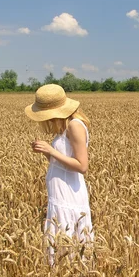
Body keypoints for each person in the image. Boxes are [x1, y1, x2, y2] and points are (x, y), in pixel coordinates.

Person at [25, 84, 93, 265]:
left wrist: (52, 151)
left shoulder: (74, 126)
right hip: (59, 194)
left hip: (69, 195)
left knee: (69, 243)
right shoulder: (64, 127)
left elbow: (82, 166)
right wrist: (45, 152)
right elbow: (62, 163)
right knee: (61, 242)